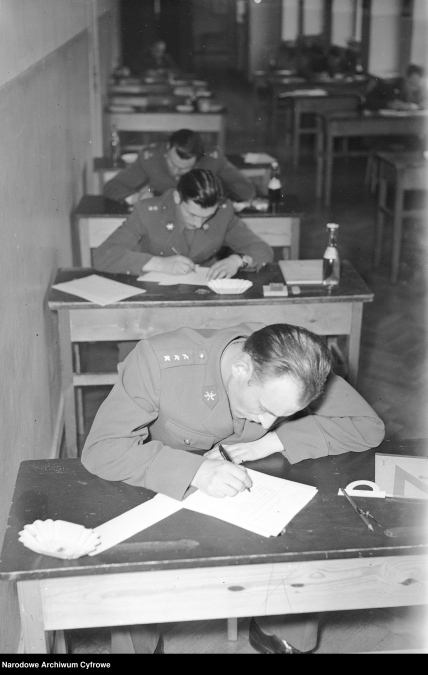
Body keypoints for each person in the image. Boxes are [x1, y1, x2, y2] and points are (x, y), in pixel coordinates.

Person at [81, 322, 385, 654]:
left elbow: (367, 427)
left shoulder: (298, 365)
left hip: (250, 486)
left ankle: (279, 630)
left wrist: (271, 441)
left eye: (283, 416)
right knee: (131, 561)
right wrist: (195, 470)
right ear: (241, 368)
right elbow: (102, 450)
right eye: (264, 409)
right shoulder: (158, 360)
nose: (267, 422)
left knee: (307, 526)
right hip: (163, 482)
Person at [94, 168, 272, 281]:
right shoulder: (147, 212)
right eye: (192, 214)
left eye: (207, 216)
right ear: (177, 197)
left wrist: (237, 260)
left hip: (200, 288)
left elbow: (262, 250)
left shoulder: (223, 212)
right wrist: (159, 264)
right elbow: (103, 255)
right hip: (151, 288)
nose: (198, 224)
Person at [103, 129, 257, 204]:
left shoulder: (212, 159)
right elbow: (113, 186)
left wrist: (218, 194)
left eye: (184, 169)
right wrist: (136, 198)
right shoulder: (150, 158)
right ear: (168, 147)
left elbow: (246, 189)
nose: (176, 172)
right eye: (172, 163)